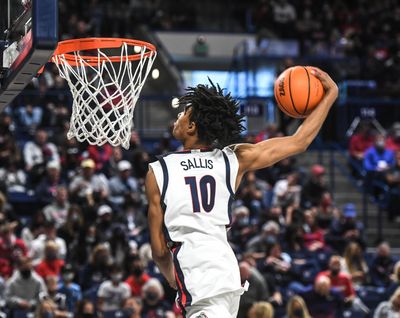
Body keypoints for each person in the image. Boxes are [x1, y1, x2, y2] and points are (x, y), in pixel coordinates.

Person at [146, 68, 338, 317]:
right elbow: (299, 141)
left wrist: (172, 276)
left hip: (198, 276)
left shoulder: (158, 171)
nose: (178, 116)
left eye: (183, 113)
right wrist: (331, 93)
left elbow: (159, 251)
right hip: (226, 271)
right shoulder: (233, 159)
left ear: (192, 126)